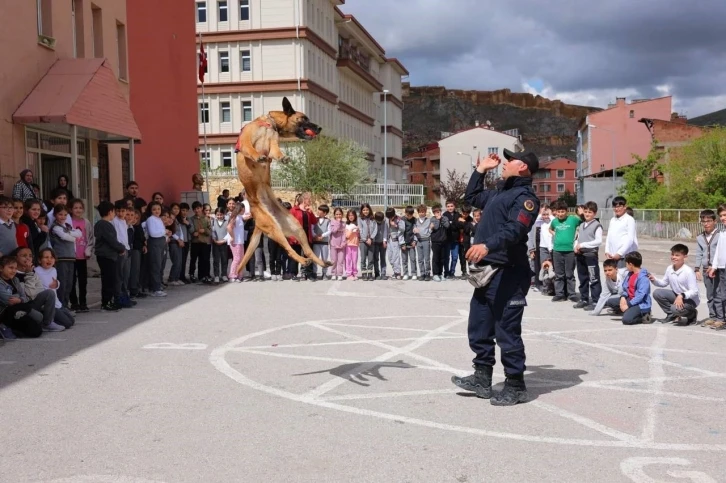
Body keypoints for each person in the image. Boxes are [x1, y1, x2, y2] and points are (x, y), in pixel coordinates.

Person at [451, 149, 540, 406]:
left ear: (522, 166)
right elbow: (472, 197)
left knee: (506, 331)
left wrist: (487, 245)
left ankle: (515, 385)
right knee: (479, 326)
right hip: (487, 272)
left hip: (509, 273)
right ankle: (482, 378)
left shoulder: (525, 198)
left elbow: (514, 229)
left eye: (510, 160)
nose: (505, 163)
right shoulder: (501, 192)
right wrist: (481, 171)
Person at [648, 244, 699, 325]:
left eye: (677, 255)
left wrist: (681, 295)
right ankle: (672, 315)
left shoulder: (688, 271)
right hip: (677, 296)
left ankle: (692, 315)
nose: (673, 257)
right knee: (657, 293)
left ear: (685, 257)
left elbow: (694, 291)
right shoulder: (669, 268)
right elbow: (664, 283)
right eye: (672, 254)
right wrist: (654, 280)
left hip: (690, 300)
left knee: (674, 308)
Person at [604, 251, 652, 325]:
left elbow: (640, 296)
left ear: (631, 264)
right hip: (629, 299)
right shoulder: (630, 274)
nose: (626, 266)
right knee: (610, 302)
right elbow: (625, 288)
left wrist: (628, 305)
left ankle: (644, 316)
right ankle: (628, 311)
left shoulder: (643, 278)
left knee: (626, 320)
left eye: (626, 264)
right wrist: (623, 297)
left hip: (639, 303)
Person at [49, 204, 82, 309]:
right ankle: (61, 306)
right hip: (61, 258)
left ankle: (66, 305)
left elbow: (79, 233)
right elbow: (65, 236)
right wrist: (73, 236)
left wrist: (72, 234)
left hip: (71, 257)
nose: (63, 217)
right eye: (60, 214)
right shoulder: (55, 227)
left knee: (69, 284)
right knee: (62, 284)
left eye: (65, 215)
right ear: (55, 215)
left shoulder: (67, 226)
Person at [33, 248, 76, 329]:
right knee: (67, 323)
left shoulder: (53, 270)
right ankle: (46, 321)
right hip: (48, 304)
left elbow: (55, 283)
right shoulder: (36, 271)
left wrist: (57, 284)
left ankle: (54, 317)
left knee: (71, 321)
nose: (49, 259)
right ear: (39, 260)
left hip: (57, 303)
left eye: (52, 257)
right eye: (46, 257)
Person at [573, 201, 602, 310]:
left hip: (590, 255)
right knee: (582, 278)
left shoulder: (597, 225)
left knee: (593, 278)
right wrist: (575, 246)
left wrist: (583, 245)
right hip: (580, 255)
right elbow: (577, 238)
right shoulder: (581, 225)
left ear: (594, 213)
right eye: (585, 212)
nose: (587, 214)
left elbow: (598, 241)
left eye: (590, 212)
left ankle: (595, 300)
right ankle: (584, 298)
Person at [694, 209, 720, 326]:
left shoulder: (721, 235)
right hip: (705, 270)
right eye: (703, 221)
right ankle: (712, 316)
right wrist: (696, 269)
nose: (706, 223)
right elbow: (699, 253)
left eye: (709, 221)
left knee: (719, 294)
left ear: (715, 221)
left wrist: (715, 266)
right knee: (710, 294)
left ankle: (721, 317)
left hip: (718, 269)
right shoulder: (700, 237)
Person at [68, 199, 94, 312]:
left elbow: (91, 238)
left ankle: (83, 302)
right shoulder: (68, 222)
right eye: (75, 208)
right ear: (71, 209)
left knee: (83, 281)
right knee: (72, 281)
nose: (78, 210)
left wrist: (88, 250)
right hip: (71, 256)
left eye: (80, 208)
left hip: (82, 256)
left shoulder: (86, 222)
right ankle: (74, 303)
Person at [605, 196, 638, 275]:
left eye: (619, 206)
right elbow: (609, 236)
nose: (617, 209)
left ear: (625, 207)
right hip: (612, 256)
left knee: (623, 279)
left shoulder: (629, 219)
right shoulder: (613, 220)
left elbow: (630, 239)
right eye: (615, 206)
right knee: (614, 280)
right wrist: (607, 251)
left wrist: (619, 253)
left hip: (623, 257)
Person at [707, 204, 726, 331]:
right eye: (721, 216)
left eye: (725, 215)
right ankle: (722, 319)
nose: (723, 218)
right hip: (722, 268)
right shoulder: (723, 233)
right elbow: (718, 252)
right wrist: (714, 267)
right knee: (723, 295)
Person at [189, 201, 212, 284]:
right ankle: (191, 274)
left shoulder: (206, 219)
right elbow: (191, 230)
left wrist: (204, 230)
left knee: (203, 260)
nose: (197, 210)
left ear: (201, 208)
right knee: (193, 260)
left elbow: (210, 231)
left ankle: (202, 275)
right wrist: (194, 233)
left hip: (204, 242)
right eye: (195, 209)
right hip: (195, 242)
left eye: (198, 208)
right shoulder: (191, 219)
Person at [20, 199, 47, 263]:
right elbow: (34, 242)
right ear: (26, 210)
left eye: (38, 210)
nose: (37, 212)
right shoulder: (27, 222)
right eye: (34, 209)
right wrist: (43, 232)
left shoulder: (32, 222)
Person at [226, 202, 248, 282]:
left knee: (241, 259)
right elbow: (229, 227)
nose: (244, 210)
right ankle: (232, 275)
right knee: (236, 259)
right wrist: (232, 237)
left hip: (240, 241)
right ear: (240, 209)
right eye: (243, 209)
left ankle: (239, 275)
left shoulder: (239, 216)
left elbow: (246, 217)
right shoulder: (234, 217)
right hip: (235, 242)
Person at [430, 205, 450, 282]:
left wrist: (441, 219)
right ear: (433, 213)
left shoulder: (445, 218)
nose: (437, 213)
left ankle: (440, 273)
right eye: (435, 212)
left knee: (442, 258)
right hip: (435, 241)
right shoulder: (432, 219)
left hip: (443, 241)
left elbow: (447, 225)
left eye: (438, 212)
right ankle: (435, 274)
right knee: (436, 258)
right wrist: (438, 220)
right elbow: (436, 227)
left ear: (440, 212)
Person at [442, 200, 462, 278]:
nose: (450, 208)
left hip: (455, 240)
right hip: (447, 239)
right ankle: (446, 272)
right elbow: (446, 226)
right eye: (448, 206)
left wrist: (452, 223)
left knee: (455, 257)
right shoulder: (444, 215)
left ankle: (452, 272)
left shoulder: (458, 215)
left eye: (451, 206)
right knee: (446, 257)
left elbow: (460, 225)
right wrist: (455, 223)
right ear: (446, 207)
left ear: (454, 206)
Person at [358, 203, 377, 281]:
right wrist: (365, 239)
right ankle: (364, 273)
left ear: (369, 210)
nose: (365, 211)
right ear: (362, 211)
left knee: (370, 258)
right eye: (364, 210)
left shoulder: (373, 219)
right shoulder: (360, 219)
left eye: (367, 210)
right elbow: (360, 230)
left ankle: (369, 273)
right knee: (363, 258)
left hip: (371, 241)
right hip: (363, 242)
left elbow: (375, 229)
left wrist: (371, 238)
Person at [211, 207, 229, 284]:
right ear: (215, 215)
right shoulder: (213, 222)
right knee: (216, 260)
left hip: (224, 243)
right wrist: (215, 239)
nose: (219, 216)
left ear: (224, 215)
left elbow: (229, 232)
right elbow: (212, 231)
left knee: (224, 259)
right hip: (215, 244)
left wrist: (224, 240)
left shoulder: (227, 222)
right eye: (217, 215)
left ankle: (224, 274)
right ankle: (216, 276)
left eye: (221, 215)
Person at [385, 207, 405, 280]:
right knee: (390, 257)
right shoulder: (387, 219)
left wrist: (395, 225)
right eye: (388, 216)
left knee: (396, 257)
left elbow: (403, 229)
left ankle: (398, 272)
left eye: (391, 216)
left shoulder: (399, 219)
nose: (390, 217)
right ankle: (394, 270)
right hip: (389, 240)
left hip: (395, 240)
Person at [313, 204, 331, 280]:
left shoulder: (328, 221)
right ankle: (314, 273)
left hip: (324, 243)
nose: (318, 211)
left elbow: (329, 231)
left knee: (324, 258)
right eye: (318, 210)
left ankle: (324, 273)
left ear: (325, 213)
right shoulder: (314, 220)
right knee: (315, 258)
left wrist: (322, 236)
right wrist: (315, 236)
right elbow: (312, 229)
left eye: (320, 210)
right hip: (316, 242)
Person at [414, 204, 432, 281]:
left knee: (427, 258)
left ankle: (428, 273)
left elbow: (430, 230)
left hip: (426, 240)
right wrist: (414, 230)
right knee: (420, 259)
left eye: (423, 212)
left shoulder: (429, 220)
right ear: (418, 212)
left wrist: (431, 229)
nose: (422, 213)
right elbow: (414, 230)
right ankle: (422, 273)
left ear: (425, 212)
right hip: (418, 241)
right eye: (420, 212)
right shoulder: (416, 221)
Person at [328, 208, 346, 281]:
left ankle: (340, 274)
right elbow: (334, 231)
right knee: (334, 260)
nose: (338, 216)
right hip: (333, 244)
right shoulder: (332, 222)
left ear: (342, 215)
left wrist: (343, 243)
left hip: (341, 245)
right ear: (334, 215)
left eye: (340, 214)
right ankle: (333, 274)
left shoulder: (344, 223)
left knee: (340, 261)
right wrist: (338, 223)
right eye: (337, 214)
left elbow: (344, 234)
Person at [401, 206, 418, 280]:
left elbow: (416, 232)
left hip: (412, 243)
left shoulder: (415, 220)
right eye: (407, 215)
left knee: (413, 259)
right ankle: (405, 273)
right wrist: (402, 243)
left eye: (410, 215)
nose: (408, 216)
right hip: (404, 243)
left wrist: (415, 241)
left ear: (413, 214)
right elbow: (400, 233)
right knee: (404, 260)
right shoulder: (402, 220)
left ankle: (414, 273)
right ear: (405, 213)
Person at [372, 211, 388, 280]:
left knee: (383, 258)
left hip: (382, 243)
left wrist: (384, 241)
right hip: (375, 243)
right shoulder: (373, 222)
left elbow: (385, 231)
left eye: (381, 221)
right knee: (376, 259)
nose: (380, 222)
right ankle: (377, 273)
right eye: (378, 221)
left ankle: (383, 273)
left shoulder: (384, 222)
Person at [344, 209, 360, 281]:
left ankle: (354, 273)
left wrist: (358, 230)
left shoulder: (357, 224)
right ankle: (349, 274)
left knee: (354, 260)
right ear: (347, 216)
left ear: (355, 216)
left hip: (355, 245)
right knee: (348, 260)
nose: (351, 217)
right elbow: (346, 236)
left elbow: (359, 235)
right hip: (348, 245)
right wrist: (352, 229)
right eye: (349, 215)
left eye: (352, 215)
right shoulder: (346, 225)